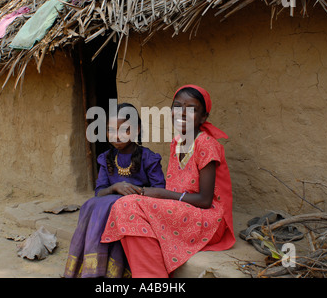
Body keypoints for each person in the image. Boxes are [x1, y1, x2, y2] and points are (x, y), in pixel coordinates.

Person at [101, 85, 235, 278]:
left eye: (191, 109)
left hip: (208, 220)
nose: (182, 113)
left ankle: (152, 277)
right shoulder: (177, 142)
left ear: (203, 117)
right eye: (177, 106)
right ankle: (151, 275)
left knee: (128, 206)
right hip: (183, 211)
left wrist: (161, 195)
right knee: (124, 206)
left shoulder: (206, 144)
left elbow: (206, 201)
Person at [63, 103, 166, 278]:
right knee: (91, 204)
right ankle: (94, 268)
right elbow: (99, 192)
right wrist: (115, 187)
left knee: (115, 205)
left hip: (138, 211)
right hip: (111, 211)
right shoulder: (106, 158)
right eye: (110, 130)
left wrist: (136, 193)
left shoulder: (149, 158)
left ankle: (115, 270)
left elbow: (159, 191)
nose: (116, 135)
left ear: (136, 130)